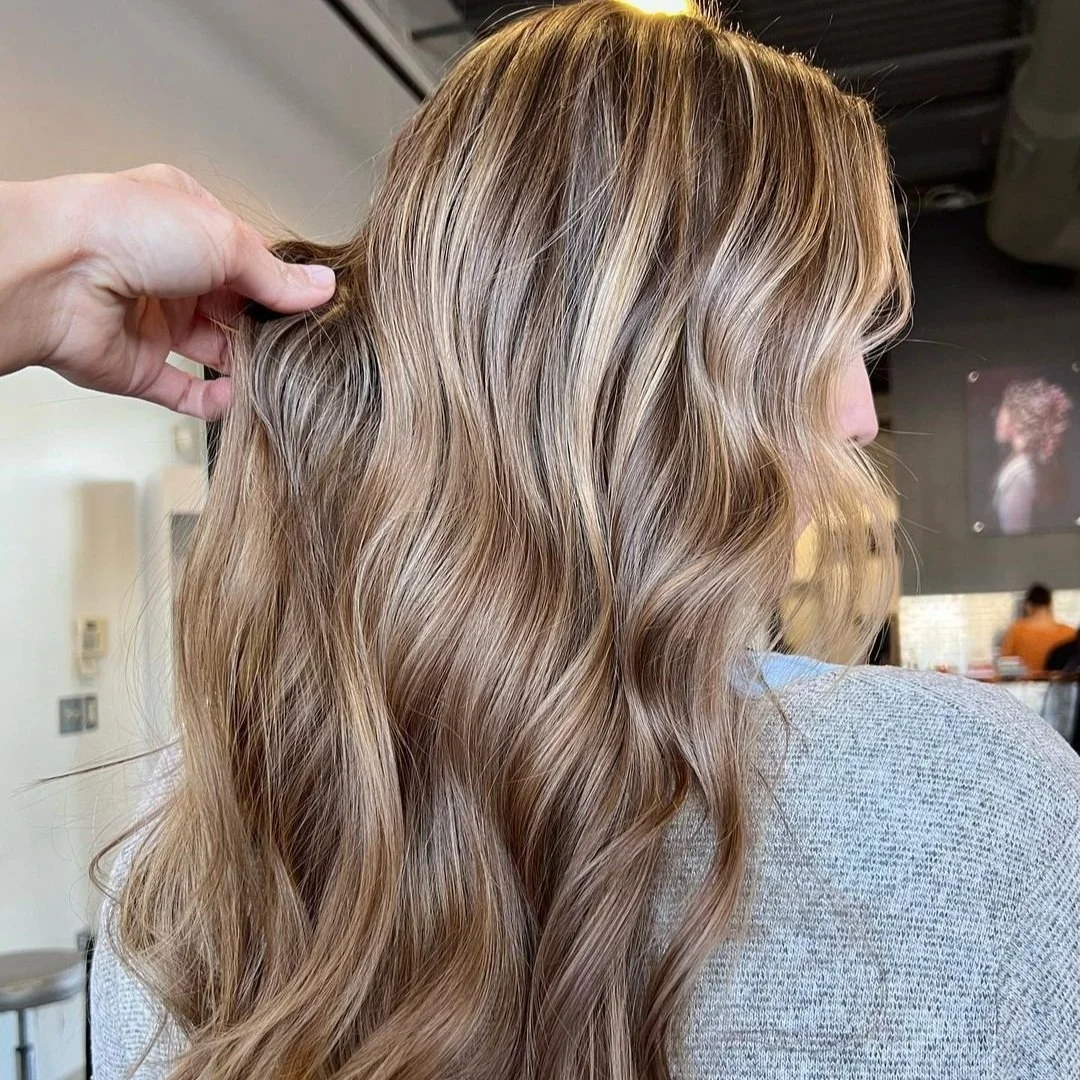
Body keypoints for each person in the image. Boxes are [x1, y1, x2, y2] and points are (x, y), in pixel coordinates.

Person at [3, 4, 1079, 1077]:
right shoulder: (977, 809)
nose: (855, 413)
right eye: (827, 331)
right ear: (663, 370)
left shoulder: (206, 839)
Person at [992, 378, 1072, 534]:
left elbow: (1014, 535)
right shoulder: (1026, 464)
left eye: (1004, 408)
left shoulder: (1020, 474)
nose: (998, 416)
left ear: (1020, 418)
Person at [1000, 583, 1076, 674]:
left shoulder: (1016, 631)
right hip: (1060, 685)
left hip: (1025, 685)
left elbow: (1005, 665)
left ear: (1028, 606)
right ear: (1050, 605)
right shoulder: (1069, 632)